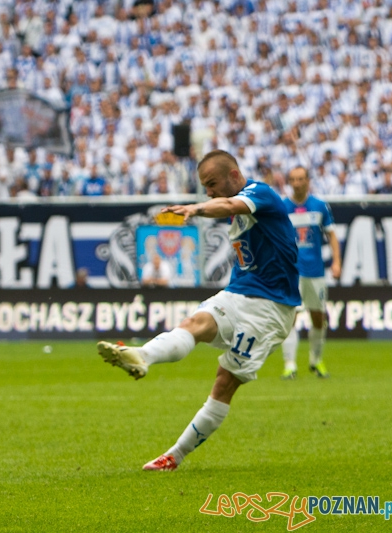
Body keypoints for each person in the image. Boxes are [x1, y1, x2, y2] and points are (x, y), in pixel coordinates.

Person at [96, 150, 300, 471]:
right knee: (196, 322)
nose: (208, 191)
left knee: (225, 381)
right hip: (240, 293)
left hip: (270, 309)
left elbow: (230, 204)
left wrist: (194, 209)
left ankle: (174, 457)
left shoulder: (260, 193)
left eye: (212, 184)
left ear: (234, 176)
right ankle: (142, 357)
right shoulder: (240, 207)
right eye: (204, 187)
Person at [280, 167, 342, 379]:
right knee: (291, 317)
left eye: (300, 179)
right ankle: (290, 364)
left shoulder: (319, 206)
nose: (296, 183)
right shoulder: (282, 207)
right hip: (291, 272)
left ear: (308, 181)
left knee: (318, 316)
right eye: (293, 179)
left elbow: (332, 235)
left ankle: (316, 360)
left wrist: (336, 262)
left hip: (315, 271)